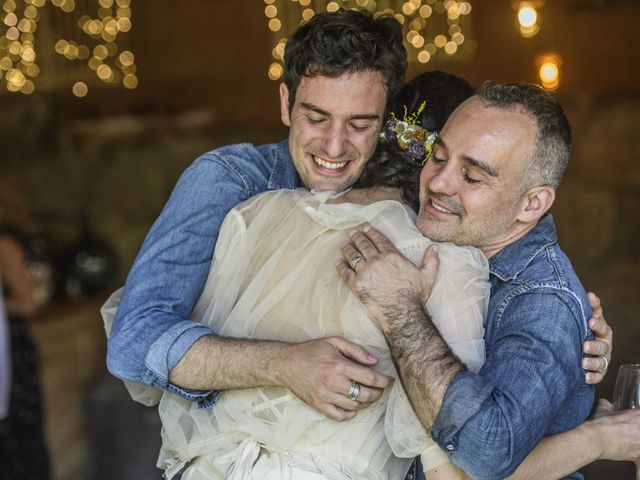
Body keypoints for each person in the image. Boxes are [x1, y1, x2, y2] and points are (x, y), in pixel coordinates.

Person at [336, 81, 624, 479]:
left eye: (472, 177)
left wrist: (400, 310)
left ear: (532, 204)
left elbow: (486, 449)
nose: (438, 183)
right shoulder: (429, 240)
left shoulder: (545, 304)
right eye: (438, 157)